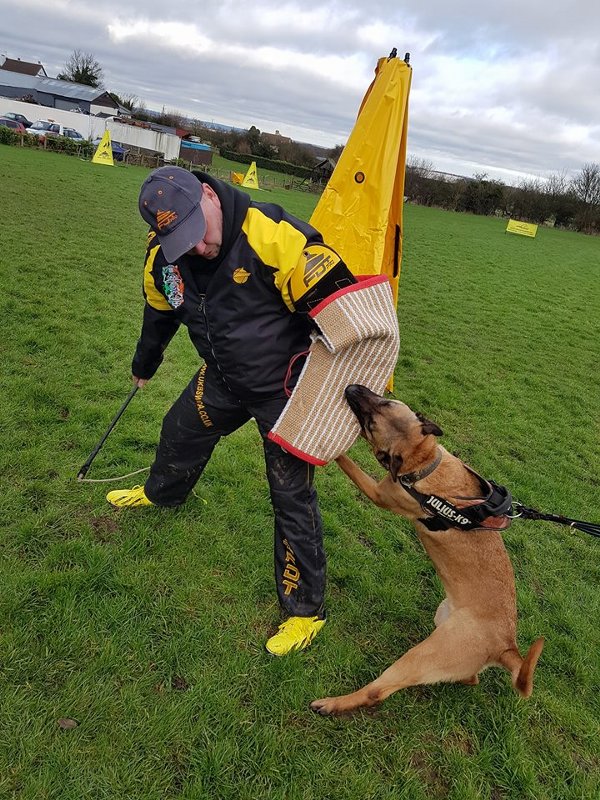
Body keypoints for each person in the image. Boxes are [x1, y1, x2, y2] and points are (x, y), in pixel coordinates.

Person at [108, 166, 357, 656]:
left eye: (197, 232)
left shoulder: (275, 235)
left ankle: (304, 612)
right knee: (179, 429)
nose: (197, 248)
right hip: (222, 378)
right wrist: (145, 363)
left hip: (285, 391)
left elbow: (344, 314)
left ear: (209, 193)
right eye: (181, 240)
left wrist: (342, 390)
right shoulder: (163, 258)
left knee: (291, 495)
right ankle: (163, 495)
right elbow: (159, 311)